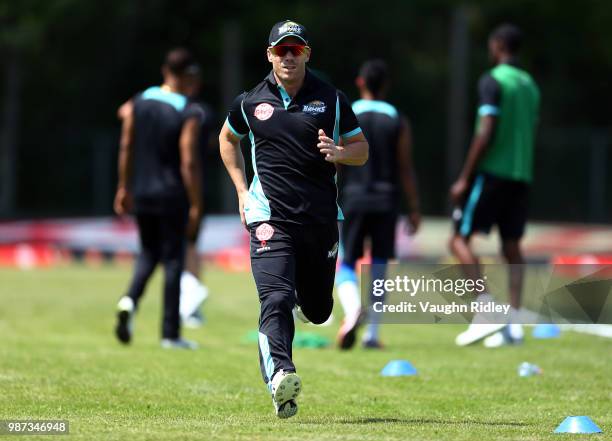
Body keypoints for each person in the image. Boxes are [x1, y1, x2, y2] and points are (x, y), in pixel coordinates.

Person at [218, 20, 368, 418]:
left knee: (318, 311)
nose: (288, 56)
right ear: (269, 55)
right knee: (275, 299)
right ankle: (280, 375)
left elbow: (361, 148)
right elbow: (226, 139)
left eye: (295, 49)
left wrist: (339, 152)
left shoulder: (332, 99)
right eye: (281, 49)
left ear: (306, 54)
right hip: (269, 219)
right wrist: (241, 189)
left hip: (319, 221)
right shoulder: (249, 102)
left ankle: (307, 302)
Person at [450, 24, 540, 347]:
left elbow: (486, 130)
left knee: (458, 240)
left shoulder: (493, 80)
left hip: (492, 173)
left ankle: (485, 307)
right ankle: (513, 325)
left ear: (498, 45)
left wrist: (465, 177)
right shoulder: (530, 85)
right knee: (512, 246)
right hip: (521, 174)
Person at [114, 48, 204, 350]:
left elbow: (126, 142)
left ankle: (129, 300)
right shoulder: (188, 110)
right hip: (172, 193)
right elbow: (188, 161)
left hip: (142, 190)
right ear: (186, 75)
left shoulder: (139, 101)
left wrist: (123, 187)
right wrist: (195, 203)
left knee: (148, 253)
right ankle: (170, 334)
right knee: (174, 259)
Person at [335, 59, 421, 350]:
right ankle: (372, 334)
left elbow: (337, 160)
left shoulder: (348, 114)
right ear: (386, 86)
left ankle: (351, 310)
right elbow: (405, 166)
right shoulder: (397, 118)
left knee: (347, 261)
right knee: (380, 264)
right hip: (386, 201)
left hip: (354, 199)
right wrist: (414, 207)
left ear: (360, 83)